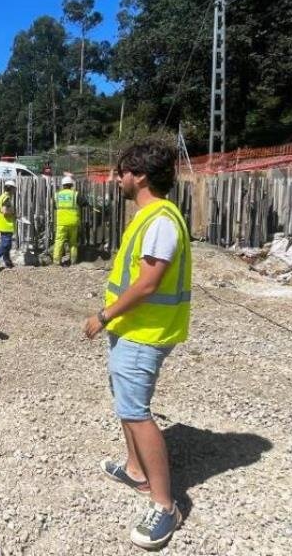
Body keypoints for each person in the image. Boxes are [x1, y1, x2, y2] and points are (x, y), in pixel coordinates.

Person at [82, 142, 192, 550]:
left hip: (143, 333)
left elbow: (148, 283)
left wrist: (104, 316)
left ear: (140, 176)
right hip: (132, 329)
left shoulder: (160, 219)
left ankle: (165, 506)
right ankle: (135, 469)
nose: (118, 178)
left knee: (136, 412)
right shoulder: (150, 216)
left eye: (123, 171)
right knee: (125, 402)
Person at [53, 175, 80, 265]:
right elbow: (84, 202)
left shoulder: (57, 195)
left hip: (61, 223)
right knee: (73, 243)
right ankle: (73, 261)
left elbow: (54, 206)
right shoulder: (75, 194)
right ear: (71, 185)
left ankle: (57, 261)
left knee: (59, 242)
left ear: (63, 185)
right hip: (73, 222)